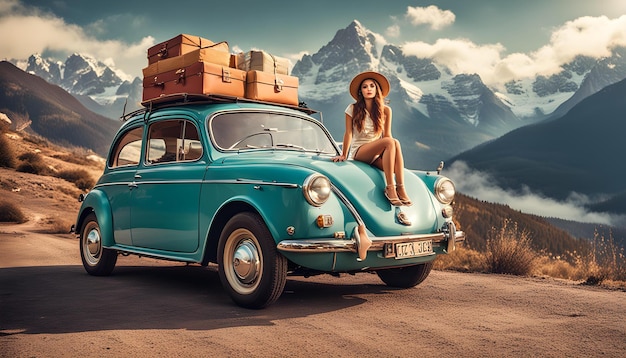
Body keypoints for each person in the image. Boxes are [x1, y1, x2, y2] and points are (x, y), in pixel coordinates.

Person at [332, 71, 412, 207]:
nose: (368, 89)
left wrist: (392, 153)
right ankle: (390, 188)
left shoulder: (386, 110)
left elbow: (387, 135)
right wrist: (344, 154)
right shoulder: (352, 108)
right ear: (360, 91)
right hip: (360, 152)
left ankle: (401, 187)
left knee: (395, 142)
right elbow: (348, 133)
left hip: (376, 153)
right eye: (364, 87)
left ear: (377, 90)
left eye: (372, 86)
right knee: (390, 142)